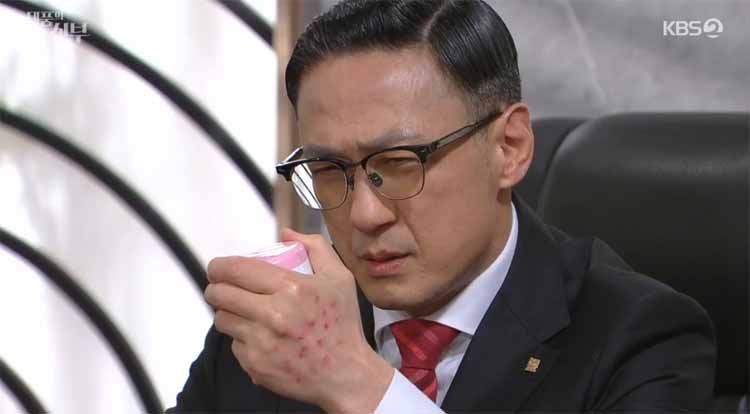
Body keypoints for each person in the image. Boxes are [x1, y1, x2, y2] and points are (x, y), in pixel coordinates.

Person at [169, 0, 716, 412]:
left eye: (400, 162)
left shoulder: (639, 336)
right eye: (330, 169)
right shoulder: (281, 322)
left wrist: (360, 385)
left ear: (509, 148)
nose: (364, 215)